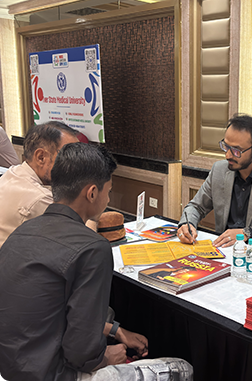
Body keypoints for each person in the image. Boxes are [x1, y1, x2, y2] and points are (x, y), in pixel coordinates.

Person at [0, 143, 193, 381]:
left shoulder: (23, 230)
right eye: (108, 191)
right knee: (182, 368)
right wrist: (105, 358)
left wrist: (116, 331)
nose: (108, 198)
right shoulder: (93, 248)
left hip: (9, 365)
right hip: (50, 373)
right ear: (92, 193)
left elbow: (56, 310)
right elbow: (81, 354)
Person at [177, 114, 252, 253]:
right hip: (224, 251)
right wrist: (187, 224)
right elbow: (196, 206)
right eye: (226, 146)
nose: (228, 155)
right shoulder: (219, 170)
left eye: (236, 151)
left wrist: (247, 234)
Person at [0, 121, 79, 247]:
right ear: (41, 157)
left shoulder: (13, 173)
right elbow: (80, 242)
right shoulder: (40, 199)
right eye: (69, 157)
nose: (75, 165)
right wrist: (93, 215)